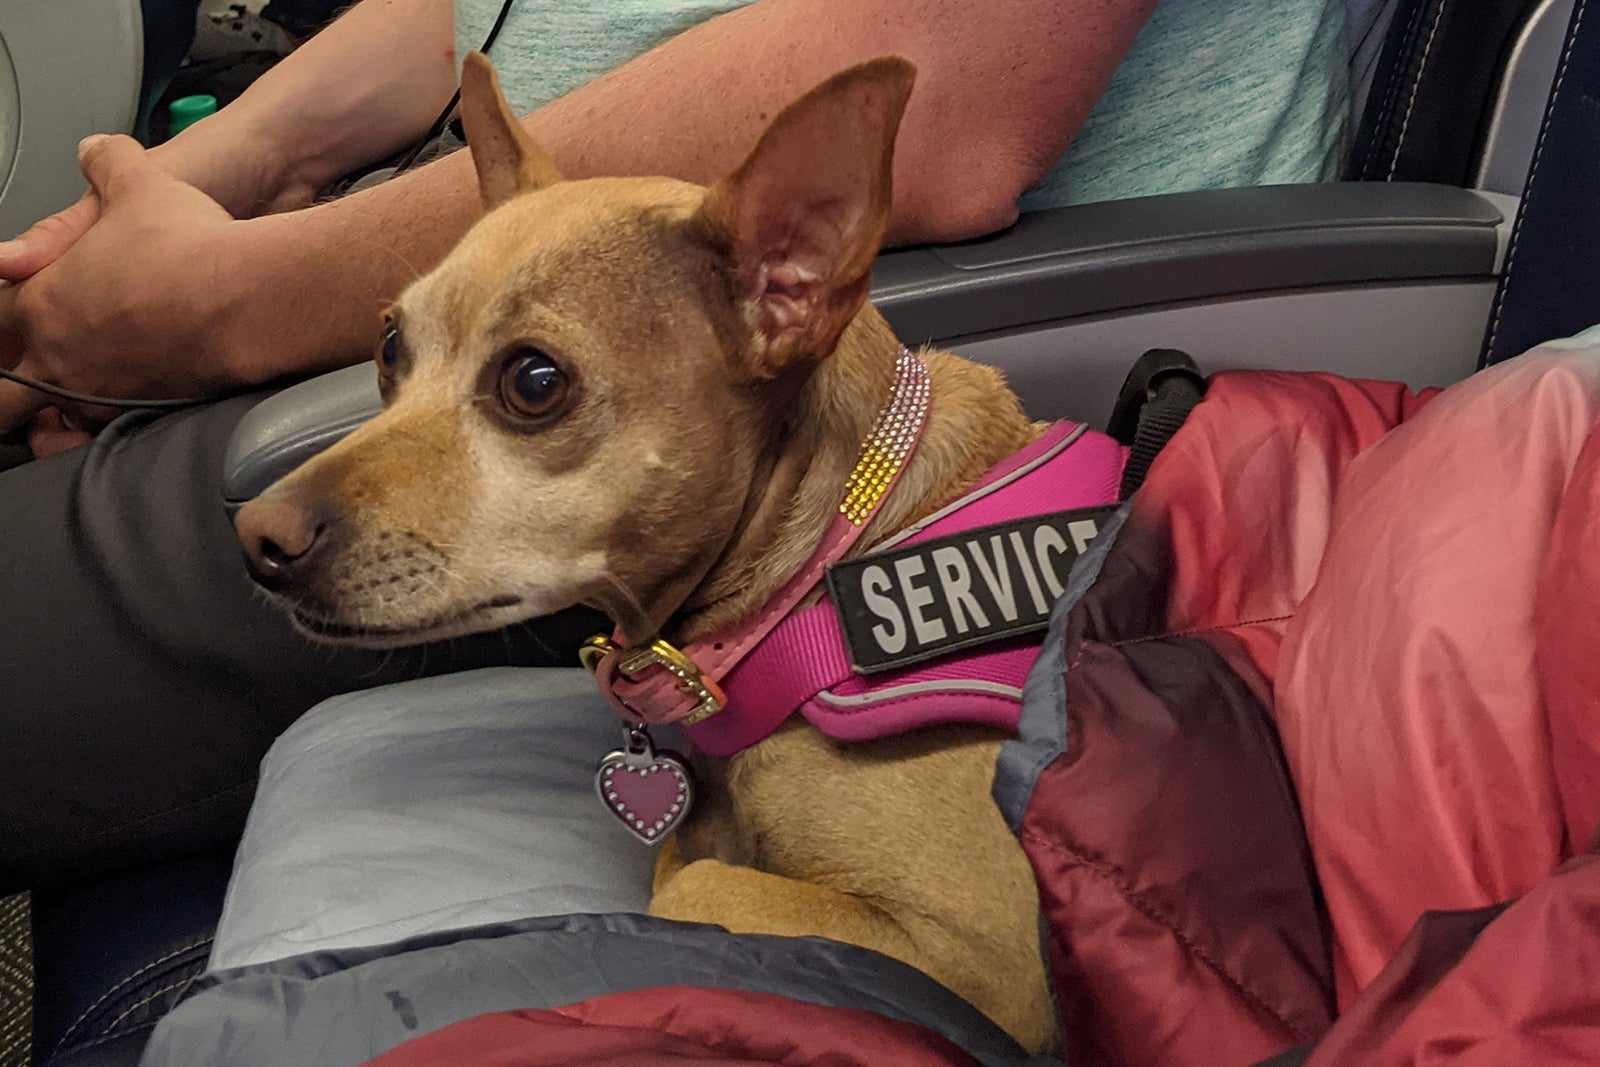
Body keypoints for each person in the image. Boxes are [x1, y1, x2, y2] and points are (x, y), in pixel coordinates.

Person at [0, 0, 1349, 891]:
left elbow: (951, 86)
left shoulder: (777, 305)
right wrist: (217, 167)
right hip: (500, 267)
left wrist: (201, 306)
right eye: (392, 362)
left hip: (906, 305)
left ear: (792, 274)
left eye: (532, 393)